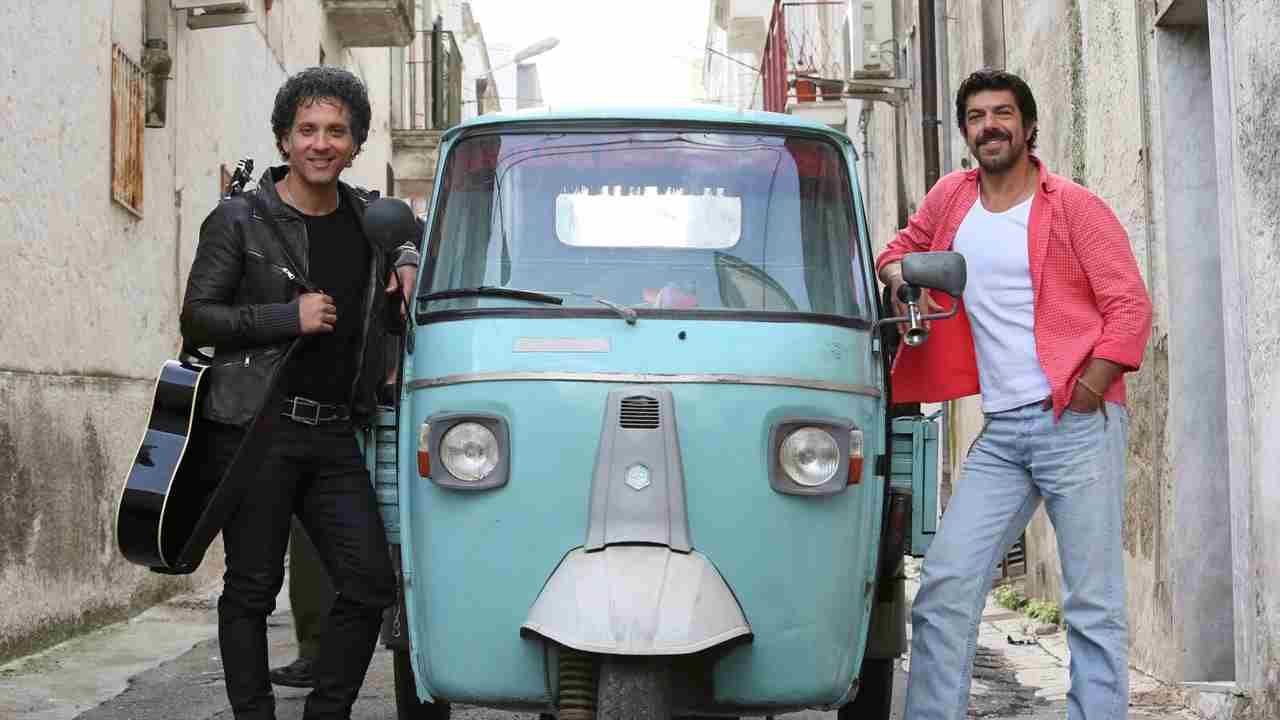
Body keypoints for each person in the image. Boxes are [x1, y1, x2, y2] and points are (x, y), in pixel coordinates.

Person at [876, 68, 1152, 720]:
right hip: (1001, 431)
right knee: (944, 588)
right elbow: (899, 251)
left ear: (1028, 127)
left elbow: (1129, 308)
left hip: (1075, 423)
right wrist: (902, 279)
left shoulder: (1073, 206)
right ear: (965, 131)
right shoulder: (953, 198)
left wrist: (1090, 387)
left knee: (1092, 604)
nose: (990, 126)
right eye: (976, 116)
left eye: (1002, 113)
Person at [180, 66, 419, 719]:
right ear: (284, 139)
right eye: (307, 129)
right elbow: (199, 318)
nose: (321, 143)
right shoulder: (240, 219)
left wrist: (407, 259)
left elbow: (413, 239)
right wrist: (288, 317)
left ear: (355, 143)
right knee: (252, 590)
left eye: (337, 131)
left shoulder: (369, 221)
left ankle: (327, 711)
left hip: (335, 432)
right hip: (255, 427)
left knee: (368, 583)